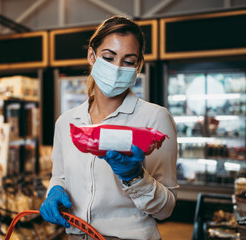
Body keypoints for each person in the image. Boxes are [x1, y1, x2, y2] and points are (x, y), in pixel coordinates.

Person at [40, 15, 178, 240]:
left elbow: (166, 209)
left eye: (128, 61)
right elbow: (60, 177)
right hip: (75, 235)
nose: (116, 68)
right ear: (91, 56)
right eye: (108, 57)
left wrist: (135, 177)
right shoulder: (67, 122)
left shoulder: (154, 119)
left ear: (138, 65)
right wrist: (54, 191)